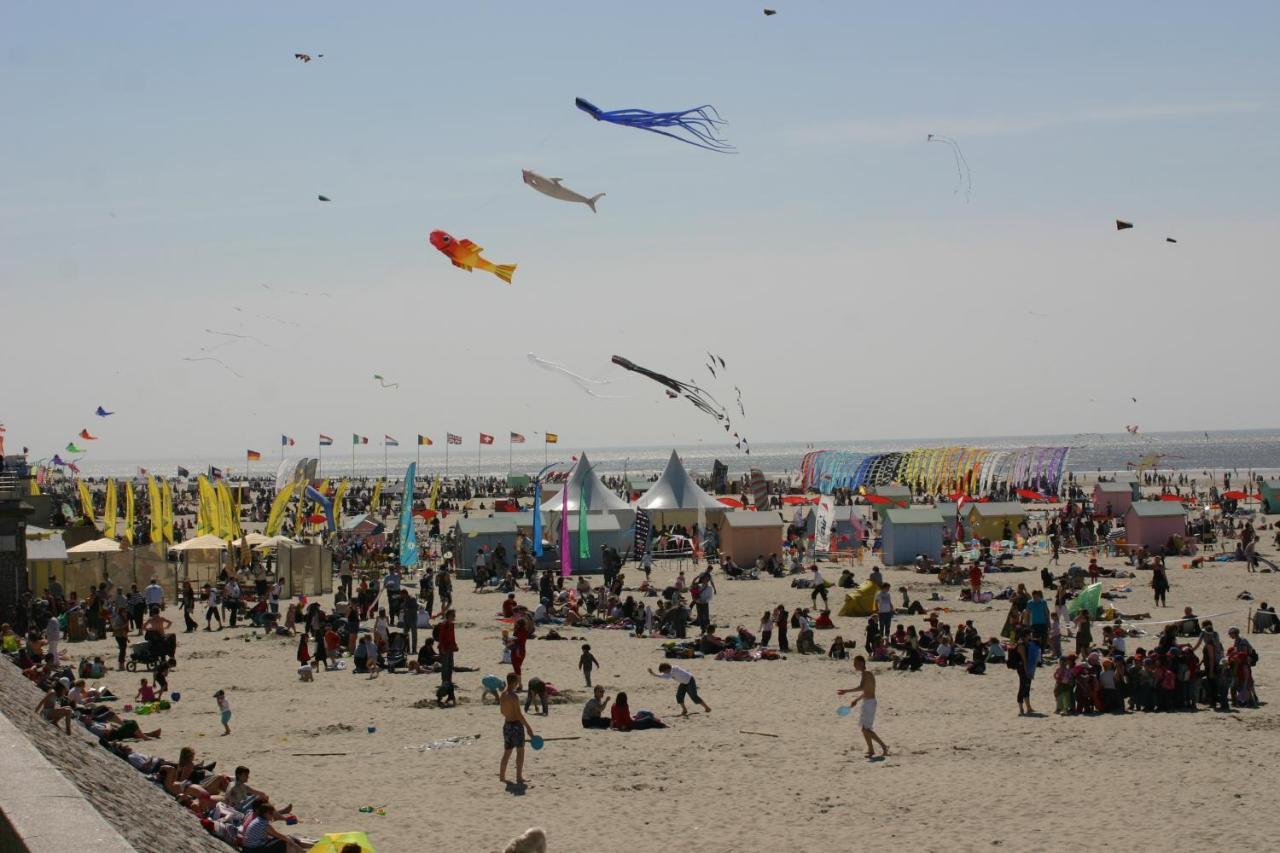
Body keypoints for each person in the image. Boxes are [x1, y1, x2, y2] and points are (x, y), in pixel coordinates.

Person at [837, 655, 889, 758]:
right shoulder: (865, 674)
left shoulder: (867, 674)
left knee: (866, 729)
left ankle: (884, 746)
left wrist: (846, 691)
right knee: (864, 729)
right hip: (867, 702)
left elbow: (862, 688)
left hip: (870, 703)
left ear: (861, 663)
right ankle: (871, 749)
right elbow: (867, 690)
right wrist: (856, 700)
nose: (854, 665)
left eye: (856, 663)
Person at [499, 672, 535, 785]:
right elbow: (519, 714)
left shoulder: (502, 695)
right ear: (514, 683)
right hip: (516, 726)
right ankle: (519, 777)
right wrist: (528, 728)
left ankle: (502, 777)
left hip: (507, 725)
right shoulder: (514, 697)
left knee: (507, 752)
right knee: (520, 751)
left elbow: (502, 711)